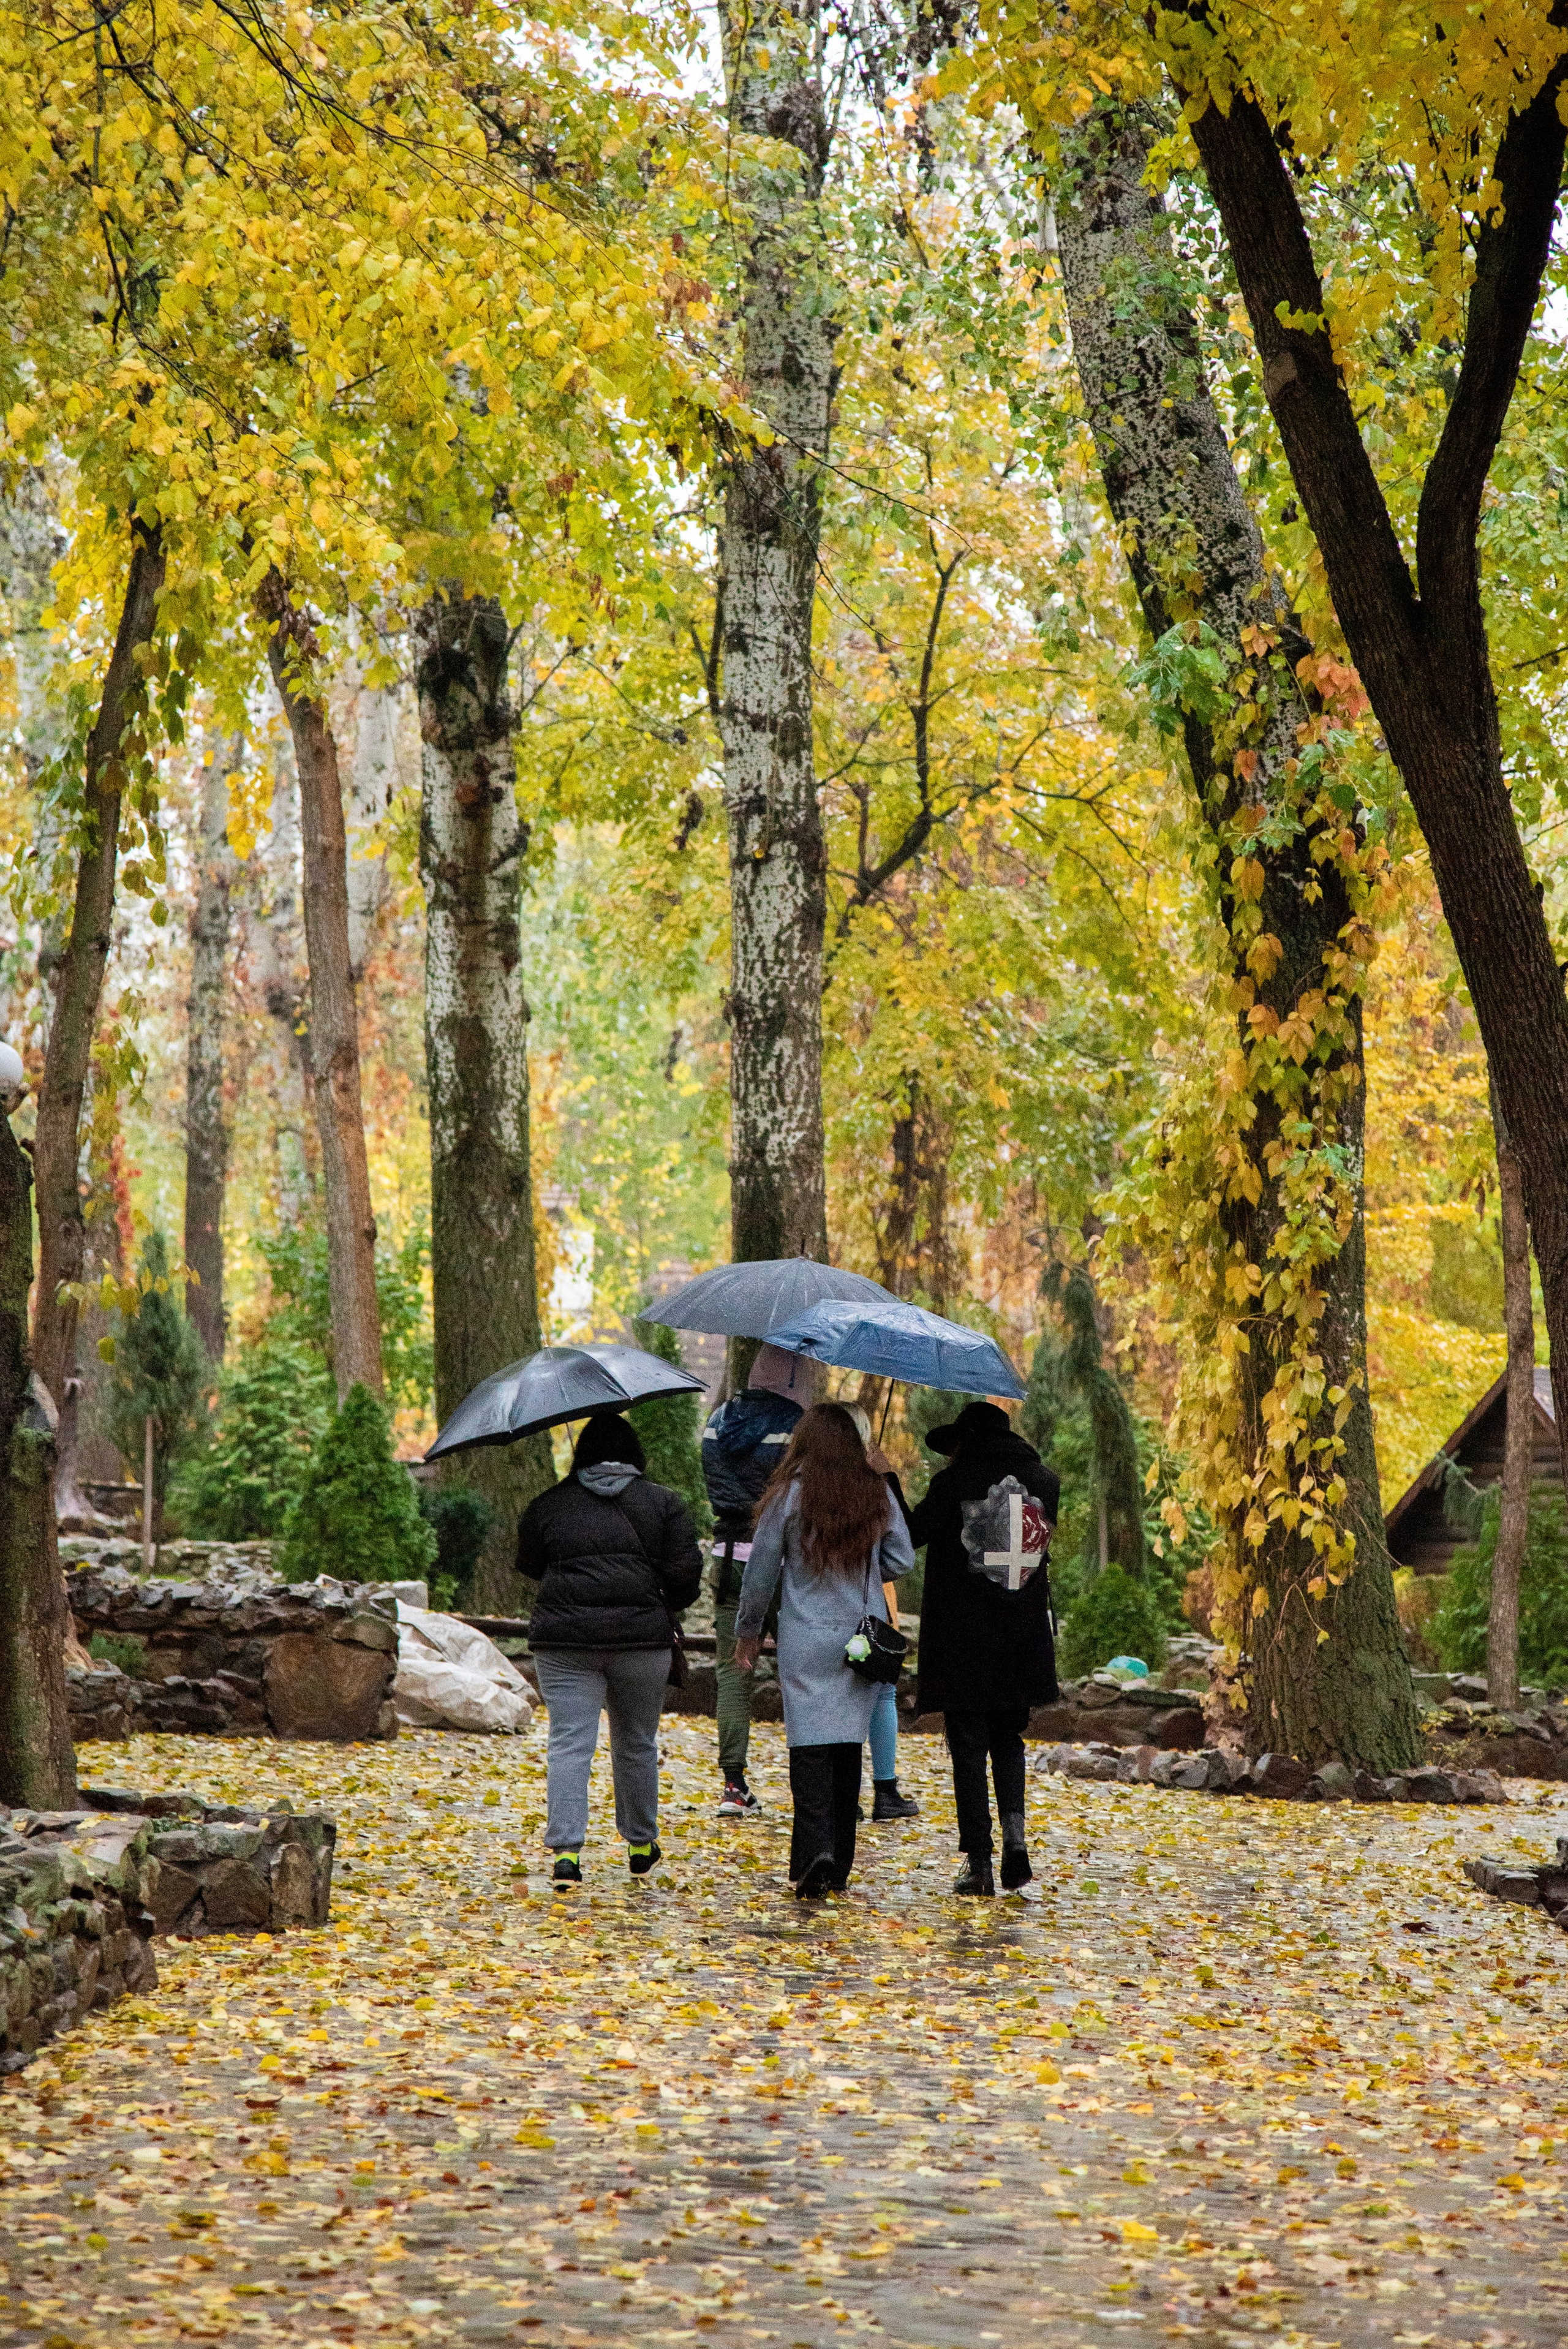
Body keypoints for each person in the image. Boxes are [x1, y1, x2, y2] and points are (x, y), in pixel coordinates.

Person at [734, 1402, 916, 1898]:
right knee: (846, 1746)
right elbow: (902, 1555)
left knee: (809, 1746)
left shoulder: (788, 1497)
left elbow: (761, 1570)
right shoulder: (874, 1492)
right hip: (860, 1636)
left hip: (804, 1636)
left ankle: (814, 1849)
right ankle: (839, 1859)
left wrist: (748, 1630)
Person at [516, 1412, 703, 1885]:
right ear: (635, 1453)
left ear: (582, 1453)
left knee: (568, 1742)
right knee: (637, 1742)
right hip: (642, 1643)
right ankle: (641, 1844)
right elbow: (686, 1580)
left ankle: (566, 1856)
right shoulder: (665, 1505)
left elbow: (529, 1564)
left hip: (565, 1644)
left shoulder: (548, 1505)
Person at [908, 1400, 1059, 1898]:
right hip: (1022, 1636)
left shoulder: (953, 1485)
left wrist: (886, 1480)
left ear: (968, 1439)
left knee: (969, 1746)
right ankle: (1016, 1835)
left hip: (965, 1639)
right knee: (1009, 1739)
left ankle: (979, 1861)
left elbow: (910, 1533)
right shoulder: (1046, 1484)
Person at [700, 1343, 808, 1817]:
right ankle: (812, 1780)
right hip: (786, 1566)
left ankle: (733, 1784)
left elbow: (720, 1490)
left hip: (729, 1559)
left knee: (732, 1672)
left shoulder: (716, 1420)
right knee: (802, 1673)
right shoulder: (799, 1428)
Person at [845, 1403, 919, 1823]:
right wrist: (886, 1478)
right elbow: (901, 1553)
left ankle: (847, 1793)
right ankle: (885, 1788)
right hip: (870, 1600)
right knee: (880, 1689)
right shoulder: (872, 1486)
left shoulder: (806, 1483)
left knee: (847, 1696)